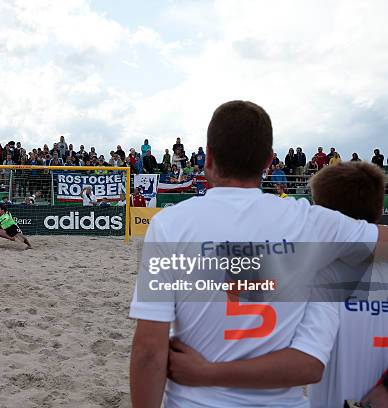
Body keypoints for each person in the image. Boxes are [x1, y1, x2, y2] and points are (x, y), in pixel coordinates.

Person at [129, 100, 387, 408]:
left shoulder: (169, 225)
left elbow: (149, 351)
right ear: (268, 162)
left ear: (208, 157)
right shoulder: (310, 222)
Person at [166, 161, 388, 408]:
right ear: (379, 209)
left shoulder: (317, 272)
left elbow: (304, 365)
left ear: (320, 212)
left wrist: (207, 372)